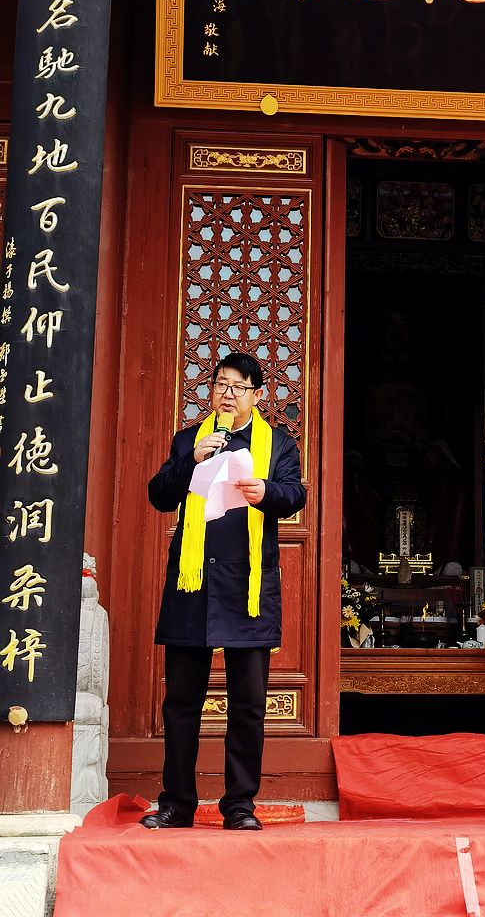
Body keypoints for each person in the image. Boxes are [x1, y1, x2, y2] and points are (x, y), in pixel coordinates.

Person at [140, 352, 305, 831]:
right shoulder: (191, 439)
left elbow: (295, 494)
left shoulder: (278, 444)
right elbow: (159, 494)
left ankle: (239, 805)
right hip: (192, 584)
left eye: (238, 387)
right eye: (220, 385)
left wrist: (266, 492)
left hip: (246, 587)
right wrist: (190, 460)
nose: (228, 394)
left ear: (257, 395)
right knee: (181, 701)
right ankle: (176, 804)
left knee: (248, 703)